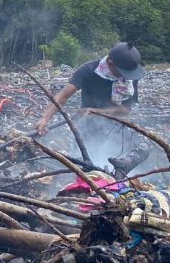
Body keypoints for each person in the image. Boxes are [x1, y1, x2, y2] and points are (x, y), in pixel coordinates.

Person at [34, 42, 151, 177]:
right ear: (111, 62)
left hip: (116, 129)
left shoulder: (129, 77)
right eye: (123, 72)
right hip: (86, 128)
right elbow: (62, 97)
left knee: (118, 168)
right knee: (82, 168)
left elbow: (125, 110)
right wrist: (44, 119)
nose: (126, 76)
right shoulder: (88, 70)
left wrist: (97, 112)